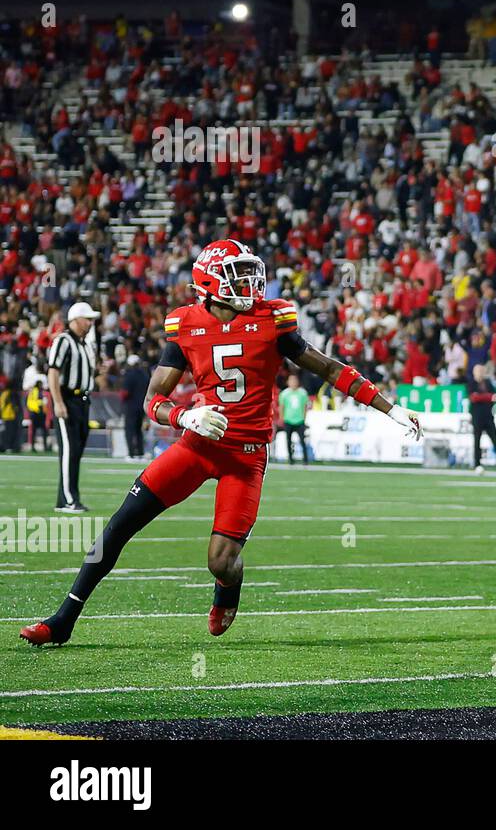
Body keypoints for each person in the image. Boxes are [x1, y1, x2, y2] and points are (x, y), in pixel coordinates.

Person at [20, 240, 422, 647]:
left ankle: (228, 589)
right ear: (211, 283)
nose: (251, 283)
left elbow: (331, 369)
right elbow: (153, 401)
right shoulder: (186, 325)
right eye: (239, 275)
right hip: (197, 446)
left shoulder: (272, 321)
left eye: (251, 273)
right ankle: (63, 619)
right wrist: (185, 416)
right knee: (118, 526)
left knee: (220, 561)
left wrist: (391, 409)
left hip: (245, 457)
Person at [47, 301, 100, 513]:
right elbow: (53, 372)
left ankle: (65, 499)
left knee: (76, 451)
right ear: (75, 320)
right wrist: (58, 402)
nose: (90, 323)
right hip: (67, 399)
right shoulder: (63, 341)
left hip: (83, 401)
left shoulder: (85, 345)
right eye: (87, 319)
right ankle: (70, 500)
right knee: (69, 451)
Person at [466, 363, 496, 471]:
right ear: (474, 373)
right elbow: (474, 397)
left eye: (482, 371)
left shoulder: (488, 383)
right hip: (477, 416)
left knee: (495, 441)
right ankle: (477, 464)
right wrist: (488, 397)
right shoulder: (471, 383)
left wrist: (484, 397)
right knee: (477, 440)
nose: (480, 373)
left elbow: (495, 396)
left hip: (488, 416)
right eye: (478, 371)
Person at [121, 354, 149, 460]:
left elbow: (125, 393)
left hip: (131, 406)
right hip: (142, 406)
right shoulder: (145, 375)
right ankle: (140, 452)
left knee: (129, 430)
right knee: (138, 430)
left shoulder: (129, 375)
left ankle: (131, 453)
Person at [278, 372, 311, 465]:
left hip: (299, 420)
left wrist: (304, 418)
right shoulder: (284, 394)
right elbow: (282, 406)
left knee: (302, 440)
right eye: (291, 380)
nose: (293, 382)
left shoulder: (302, 393)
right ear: (288, 382)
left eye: (295, 380)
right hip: (288, 420)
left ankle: (305, 460)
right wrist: (282, 418)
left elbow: (305, 406)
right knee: (288, 440)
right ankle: (291, 459)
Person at [22, 356, 49, 453]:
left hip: (41, 408)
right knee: (33, 428)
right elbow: (25, 387)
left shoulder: (43, 382)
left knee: (44, 428)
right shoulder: (30, 372)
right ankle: (32, 445)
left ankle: (45, 445)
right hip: (34, 408)